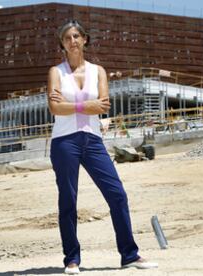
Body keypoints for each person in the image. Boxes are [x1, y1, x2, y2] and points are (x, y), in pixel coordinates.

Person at [47, 20, 158, 274]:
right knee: (68, 200)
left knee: (117, 194)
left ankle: (129, 254)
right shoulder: (56, 72)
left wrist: (70, 104)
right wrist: (86, 106)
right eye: (67, 38)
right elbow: (55, 108)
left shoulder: (99, 71)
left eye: (76, 36)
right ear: (62, 45)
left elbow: (104, 105)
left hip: (93, 141)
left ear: (85, 39)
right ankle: (72, 260)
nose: (72, 41)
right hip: (64, 142)